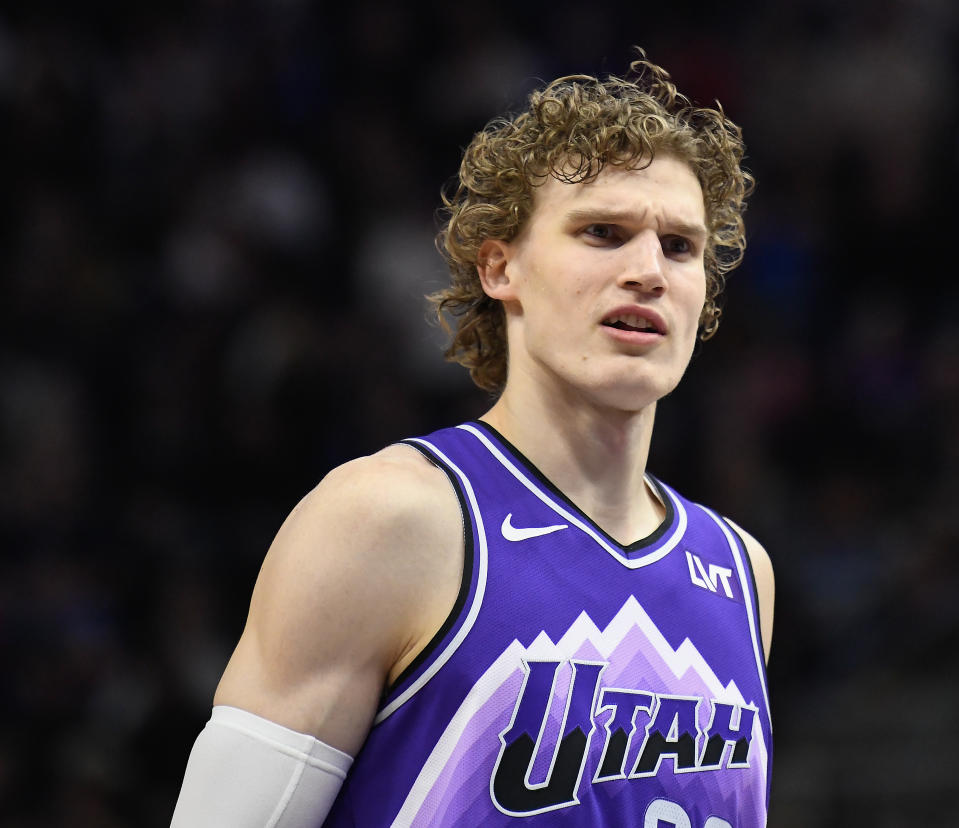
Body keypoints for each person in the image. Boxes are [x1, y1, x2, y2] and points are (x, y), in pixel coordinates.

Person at [171, 54, 773, 827]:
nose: (648, 271)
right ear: (501, 267)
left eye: (681, 247)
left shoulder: (741, 573)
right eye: (603, 232)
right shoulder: (390, 519)